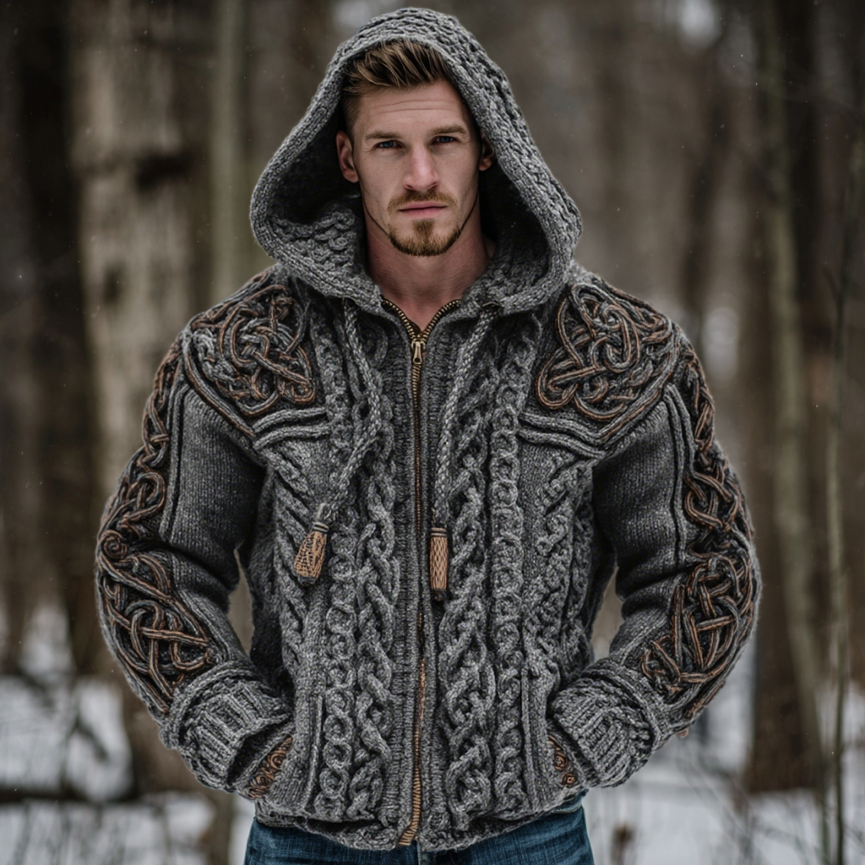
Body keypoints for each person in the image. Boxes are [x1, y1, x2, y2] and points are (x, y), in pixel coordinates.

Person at [95, 7, 760, 864]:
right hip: (307, 839)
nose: (419, 174)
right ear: (345, 157)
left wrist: (589, 733)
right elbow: (148, 559)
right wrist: (252, 739)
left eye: (443, 141)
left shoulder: (613, 350)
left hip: (527, 838)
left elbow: (703, 568)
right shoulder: (243, 350)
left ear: (485, 147)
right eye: (388, 146)